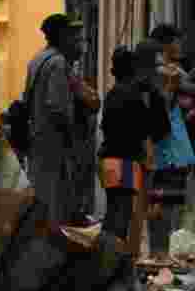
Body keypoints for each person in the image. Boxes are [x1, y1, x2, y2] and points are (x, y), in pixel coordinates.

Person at [99, 46, 167, 243]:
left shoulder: (112, 93)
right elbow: (151, 128)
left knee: (113, 213)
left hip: (108, 159)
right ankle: (112, 262)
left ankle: (107, 258)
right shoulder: (134, 95)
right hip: (126, 162)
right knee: (121, 216)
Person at [24, 13, 85, 225]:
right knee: (56, 200)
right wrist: (71, 140)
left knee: (43, 196)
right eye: (73, 37)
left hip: (38, 139)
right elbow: (58, 107)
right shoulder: (58, 63)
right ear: (62, 36)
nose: (78, 42)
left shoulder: (37, 60)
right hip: (53, 143)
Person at [146, 26, 195, 265]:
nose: (180, 47)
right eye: (176, 42)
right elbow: (159, 108)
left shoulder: (174, 71)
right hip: (165, 147)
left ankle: (162, 252)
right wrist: (172, 88)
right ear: (166, 45)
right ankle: (159, 252)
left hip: (174, 146)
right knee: (161, 203)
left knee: (170, 202)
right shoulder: (160, 72)